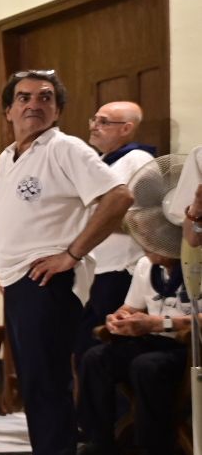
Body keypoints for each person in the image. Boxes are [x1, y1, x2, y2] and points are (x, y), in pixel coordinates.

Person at [0, 71, 132, 455]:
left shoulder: (66, 148)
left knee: (48, 383)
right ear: (9, 109)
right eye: (24, 97)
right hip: (20, 281)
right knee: (34, 383)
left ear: (58, 109)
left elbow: (119, 196)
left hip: (48, 284)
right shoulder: (9, 156)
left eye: (46, 98)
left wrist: (71, 254)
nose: (35, 104)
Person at [77, 251, 192, 455]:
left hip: (188, 346)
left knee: (147, 366)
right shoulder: (145, 264)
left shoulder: (194, 263)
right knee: (96, 359)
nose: (147, 247)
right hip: (152, 339)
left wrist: (161, 323)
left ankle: (156, 454)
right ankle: (101, 442)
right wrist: (118, 318)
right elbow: (131, 307)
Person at [76, 101, 154, 361]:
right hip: (97, 268)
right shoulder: (101, 162)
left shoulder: (138, 160)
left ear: (127, 128)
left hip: (122, 269)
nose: (94, 126)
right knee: (83, 345)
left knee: (107, 348)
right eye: (94, 120)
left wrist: (102, 218)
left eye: (104, 122)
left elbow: (149, 218)